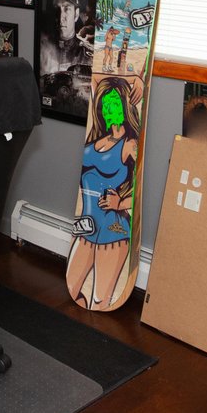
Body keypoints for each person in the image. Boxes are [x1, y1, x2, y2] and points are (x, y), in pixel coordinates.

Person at [66, 76, 140, 311]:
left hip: (112, 232)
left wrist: (120, 204)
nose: (109, 109)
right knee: (75, 291)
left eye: (115, 103)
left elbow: (138, 191)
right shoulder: (96, 139)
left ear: (125, 107)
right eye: (105, 105)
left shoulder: (129, 145)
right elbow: (98, 75)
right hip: (86, 228)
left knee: (99, 301)